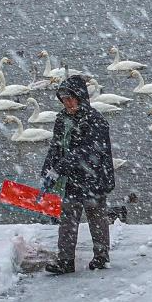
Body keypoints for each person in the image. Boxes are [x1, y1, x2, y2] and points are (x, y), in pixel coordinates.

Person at [39, 75, 116, 275]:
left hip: (93, 177)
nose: (67, 103)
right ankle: (65, 260)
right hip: (72, 179)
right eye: (64, 99)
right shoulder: (61, 120)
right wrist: (47, 171)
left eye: (71, 98)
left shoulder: (95, 120)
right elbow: (56, 148)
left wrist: (59, 168)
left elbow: (87, 152)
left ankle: (101, 257)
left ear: (80, 97)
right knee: (68, 219)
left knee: (96, 218)